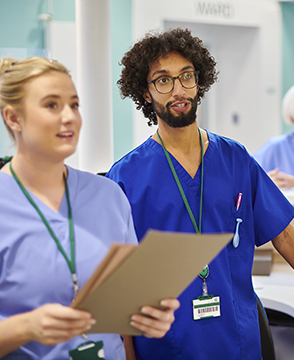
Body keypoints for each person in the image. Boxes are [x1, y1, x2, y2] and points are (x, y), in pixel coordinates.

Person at [106, 28, 294, 359]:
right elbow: (120, 283)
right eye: (163, 80)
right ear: (145, 93)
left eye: (186, 76)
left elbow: (284, 235)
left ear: (199, 81)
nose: (178, 90)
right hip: (168, 345)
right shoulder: (126, 176)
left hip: (237, 338)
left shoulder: (236, 159)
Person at [0, 57, 178, 359]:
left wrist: (150, 317)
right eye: (52, 105)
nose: (69, 117)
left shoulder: (108, 195)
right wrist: (26, 327)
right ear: (13, 119)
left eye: (75, 105)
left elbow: (129, 304)